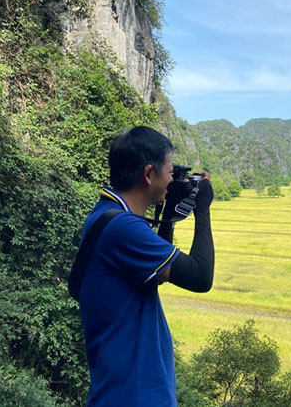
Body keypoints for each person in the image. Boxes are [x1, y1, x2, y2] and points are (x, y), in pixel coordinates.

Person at [78, 126, 214, 406]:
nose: (171, 178)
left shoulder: (106, 215)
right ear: (149, 174)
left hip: (123, 392)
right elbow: (201, 276)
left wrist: (169, 209)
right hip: (134, 396)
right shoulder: (122, 227)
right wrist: (203, 207)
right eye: (169, 170)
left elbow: (152, 275)